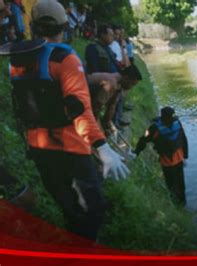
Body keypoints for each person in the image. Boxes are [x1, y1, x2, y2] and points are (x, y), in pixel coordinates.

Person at [9, 0, 129, 240]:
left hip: (39, 147)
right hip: (71, 148)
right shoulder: (66, 60)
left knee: (68, 206)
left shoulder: (17, 61)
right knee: (92, 211)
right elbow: (78, 111)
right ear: (64, 26)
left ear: (32, 25)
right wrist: (102, 147)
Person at [134, 107, 189, 206]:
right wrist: (185, 156)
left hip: (168, 162)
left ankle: (178, 206)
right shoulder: (177, 123)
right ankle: (181, 206)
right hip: (177, 160)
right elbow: (184, 140)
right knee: (180, 185)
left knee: (173, 185)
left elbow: (143, 140)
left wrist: (136, 152)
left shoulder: (155, 128)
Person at [88, 64, 142, 136]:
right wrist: (99, 128)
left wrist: (108, 123)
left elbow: (112, 105)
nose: (131, 87)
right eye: (132, 84)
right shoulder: (112, 83)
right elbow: (96, 107)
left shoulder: (118, 84)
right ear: (126, 78)